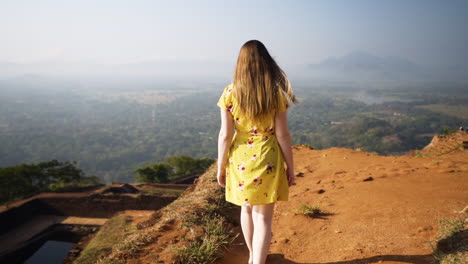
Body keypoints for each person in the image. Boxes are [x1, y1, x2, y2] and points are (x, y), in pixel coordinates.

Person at [216, 40, 298, 264]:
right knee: (263, 217)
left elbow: (225, 135)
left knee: (247, 210)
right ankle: (257, 261)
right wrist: (291, 167)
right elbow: (283, 135)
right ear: (265, 62)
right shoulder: (275, 93)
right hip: (267, 157)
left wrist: (220, 166)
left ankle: (253, 257)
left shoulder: (230, 92)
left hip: (240, 158)